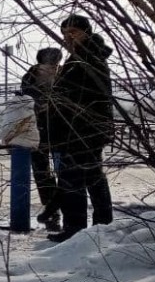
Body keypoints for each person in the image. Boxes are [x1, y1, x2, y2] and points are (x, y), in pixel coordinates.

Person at [45, 14, 114, 242]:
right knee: (91, 177)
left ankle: (76, 229)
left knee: (74, 179)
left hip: (81, 130)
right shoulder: (81, 57)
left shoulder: (88, 58)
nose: (68, 38)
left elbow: (84, 95)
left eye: (73, 33)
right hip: (80, 129)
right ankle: (99, 225)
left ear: (86, 32)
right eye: (65, 34)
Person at [19, 47, 63, 232]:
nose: (53, 69)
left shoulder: (62, 76)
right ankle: (52, 207)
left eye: (55, 65)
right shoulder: (33, 77)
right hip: (43, 131)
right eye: (51, 65)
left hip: (55, 131)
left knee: (56, 172)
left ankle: (54, 208)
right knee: (43, 171)